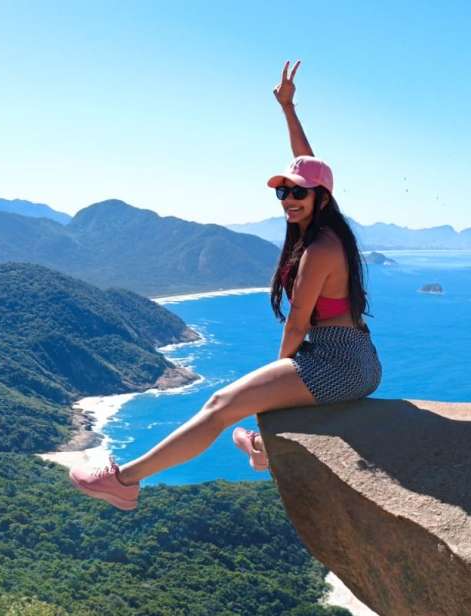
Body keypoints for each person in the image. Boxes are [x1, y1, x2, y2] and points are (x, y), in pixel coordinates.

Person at [68, 59, 382, 511]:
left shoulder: (319, 250)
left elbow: (296, 323)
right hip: (354, 358)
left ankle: (125, 480)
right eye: (282, 192)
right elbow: (310, 167)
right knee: (243, 401)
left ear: (321, 199)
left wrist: (273, 387)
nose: (289, 200)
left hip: (339, 361)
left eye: (297, 193)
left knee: (220, 403)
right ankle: (264, 448)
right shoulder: (329, 229)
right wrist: (288, 110)